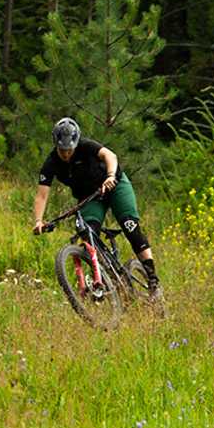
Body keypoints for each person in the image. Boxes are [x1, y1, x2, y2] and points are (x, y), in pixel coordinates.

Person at [32, 116, 161, 296]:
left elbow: (110, 155)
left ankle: (153, 280)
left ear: (76, 143)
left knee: (130, 226)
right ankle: (106, 277)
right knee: (88, 234)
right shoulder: (51, 162)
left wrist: (110, 175)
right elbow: (42, 194)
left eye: (70, 149)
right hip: (89, 196)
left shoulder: (86, 146)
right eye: (62, 150)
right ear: (56, 145)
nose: (67, 154)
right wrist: (38, 221)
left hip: (114, 185)